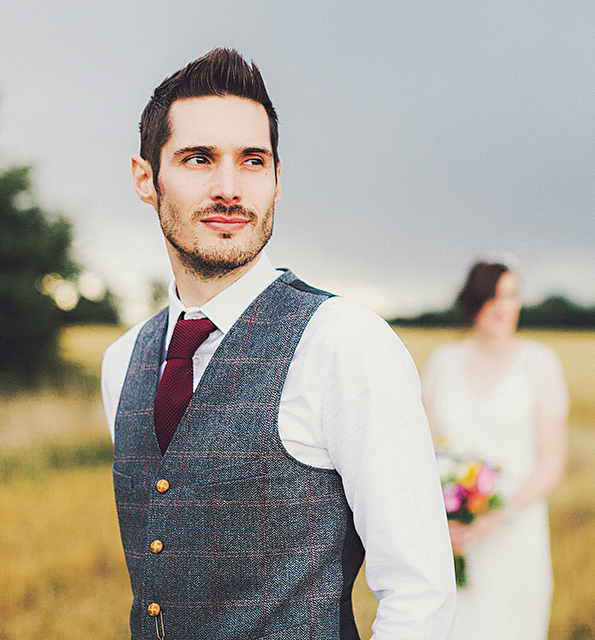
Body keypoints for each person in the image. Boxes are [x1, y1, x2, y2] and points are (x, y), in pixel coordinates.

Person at [101, 48, 455, 639]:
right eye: (198, 159)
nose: (229, 188)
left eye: (252, 161)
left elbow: (420, 596)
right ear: (145, 179)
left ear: (277, 180)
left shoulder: (344, 343)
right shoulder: (122, 363)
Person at [422, 260, 568, 639]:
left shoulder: (540, 364)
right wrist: (443, 518)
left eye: (512, 296)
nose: (503, 307)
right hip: (453, 536)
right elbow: (425, 454)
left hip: (515, 534)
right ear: (474, 302)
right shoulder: (443, 363)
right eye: (493, 296)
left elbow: (552, 462)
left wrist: (500, 518)